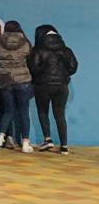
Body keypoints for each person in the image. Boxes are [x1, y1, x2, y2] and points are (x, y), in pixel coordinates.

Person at [28, 24, 78, 154]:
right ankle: (64, 146)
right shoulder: (66, 50)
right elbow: (73, 67)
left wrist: (42, 75)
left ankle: (48, 139)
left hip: (42, 86)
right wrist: (63, 75)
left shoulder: (37, 50)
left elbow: (33, 68)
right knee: (60, 115)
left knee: (43, 112)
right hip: (62, 86)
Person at [0, 20, 35, 153]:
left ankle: (0, 139)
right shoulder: (25, 42)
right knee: (24, 112)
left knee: (8, 111)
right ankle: (25, 143)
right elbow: (31, 58)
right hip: (23, 80)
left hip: (4, 80)